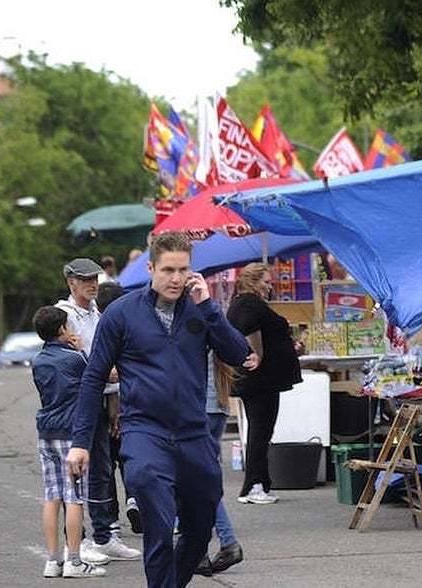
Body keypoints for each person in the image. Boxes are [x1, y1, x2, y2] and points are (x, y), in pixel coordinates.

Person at [66, 231, 257, 588]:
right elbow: (93, 379)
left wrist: (209, 309)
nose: (176, 278)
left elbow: (238, 356)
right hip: (144, 434)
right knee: (158, 524)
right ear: (151, 268)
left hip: (194, 435)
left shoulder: (200, 311)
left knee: (199, 532)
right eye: (168, 269)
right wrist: (80, 442)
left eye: (183, 269)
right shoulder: (121, 314)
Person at [57, 258, 140, 564]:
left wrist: (115, 397)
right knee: (80, 470)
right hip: (79, 401)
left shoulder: (98, 313)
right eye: (85, 279)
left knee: (103, 469)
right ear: (71, 283)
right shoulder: (65, 317)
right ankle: (77, 541)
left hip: (105, 398)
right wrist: (105, 373)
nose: (92, 284)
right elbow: (67, 362)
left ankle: (105, 536)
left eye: (95, 279)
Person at [30, 305, 107, 579]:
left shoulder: (38, 361)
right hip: (70, 433)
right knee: (74, 497)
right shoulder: (74, 359)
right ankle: (74, 559)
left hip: (46, 431)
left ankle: (53, 560)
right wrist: (79, 349)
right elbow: (96, 375)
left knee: (52, 496)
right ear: (63, 329)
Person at [227, 262, 303, 505]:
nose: (269, 286)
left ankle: (261, 481)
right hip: (260, 380)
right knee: (261, 430)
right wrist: (258, 353)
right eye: (266, 281)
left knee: (261, 430)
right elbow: (251, 329)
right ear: (252, 280)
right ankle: (254, 485)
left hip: (260, 379)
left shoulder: (243, 303)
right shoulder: (249, 303)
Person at [194, 351, 244, 576]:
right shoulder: (215, 328)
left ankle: (212, 546)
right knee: (204, 482)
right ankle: (221, 543)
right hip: (219, 405)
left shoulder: (191, 328)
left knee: (194, 484)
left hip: (198, 409)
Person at [96, 281, 141, 536]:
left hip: (106, 405)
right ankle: (135, 499)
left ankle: (111, 518)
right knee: (130, 458)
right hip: (130, 405)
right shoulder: (131, 326)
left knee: (105, 466)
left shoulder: (100, 328)